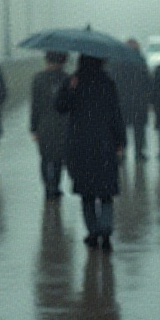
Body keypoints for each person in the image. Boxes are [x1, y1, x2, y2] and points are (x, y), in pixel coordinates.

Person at [60, 54, 126, 250]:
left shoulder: (74, 81)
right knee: (106, 192)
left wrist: (69, 89)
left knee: (87, 194)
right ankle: (106, 231)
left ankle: (93, 231)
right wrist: (120, 140)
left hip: (80, 145)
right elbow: (116, 113)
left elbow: (60, 106)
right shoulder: (108, 83)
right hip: (105, 143)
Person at [31, 50, 71, 198]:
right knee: (59, 158)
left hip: (44, 125)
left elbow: (35, 106)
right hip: (63, 125)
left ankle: (48, 187)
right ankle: (56, 185)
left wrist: (33, 128)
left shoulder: (39, 79)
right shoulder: (67, 79)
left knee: (46, 157)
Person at [110, 39, 153, 161]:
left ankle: (121, 153)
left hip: (121, 101)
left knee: (121, 129)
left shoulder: (116, 62)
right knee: (139, 129)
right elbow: (148, 82)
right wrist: (149, 99)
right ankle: (139, 152)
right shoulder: (140, 62)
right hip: (138, 101)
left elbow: (113, 80)